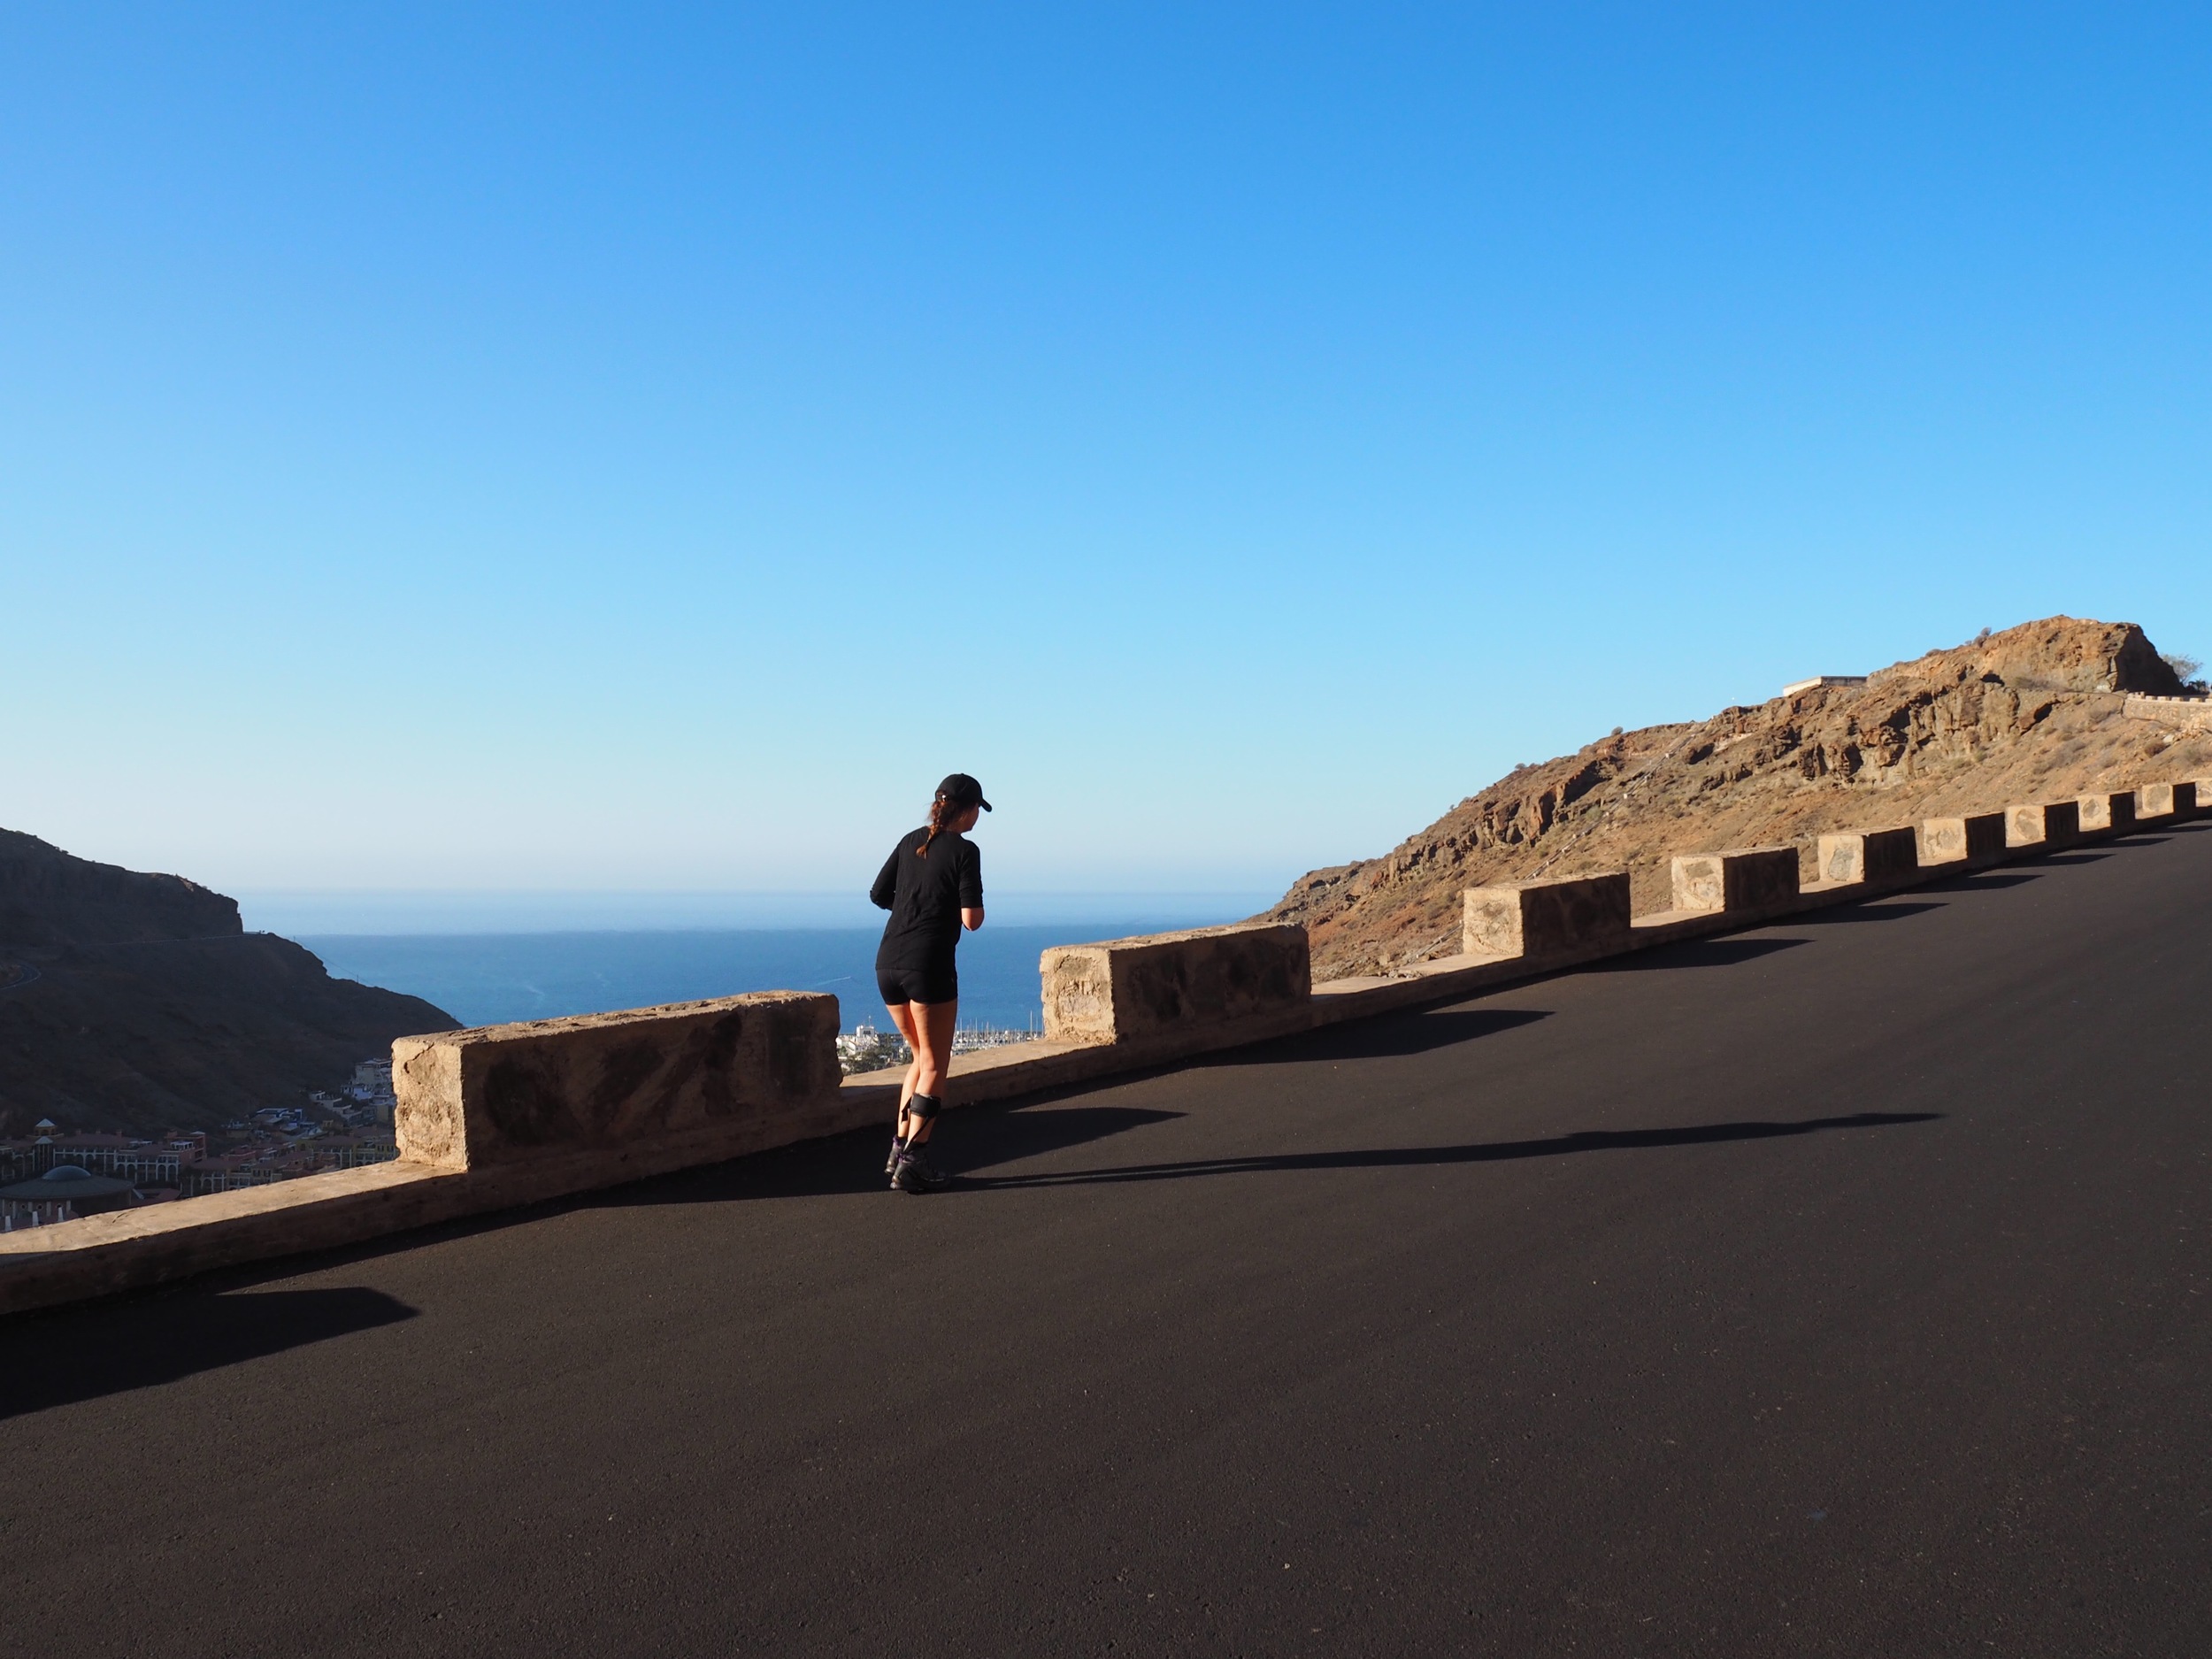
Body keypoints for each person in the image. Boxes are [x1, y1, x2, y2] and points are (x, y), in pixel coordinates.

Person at [870, 773, 989, 1192]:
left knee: (919, 1059)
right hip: (929, 965)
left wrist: (912, 904)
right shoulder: (965, 850)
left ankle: (897, 1150)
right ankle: (915, 1159)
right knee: (936, 1063)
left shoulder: (909, 840)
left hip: (888, 962)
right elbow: (971, 920)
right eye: (978, 810)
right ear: (969, 809)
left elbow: (878, 894)